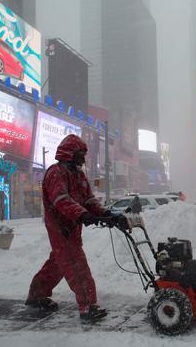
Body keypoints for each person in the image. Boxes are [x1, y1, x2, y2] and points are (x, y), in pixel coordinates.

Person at [25, 134, 127, 323]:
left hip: (73, 226)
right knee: (75, 264)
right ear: (70, 153)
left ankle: (37, 295)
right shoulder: (55, 173)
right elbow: (61, 200)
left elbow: (89, 200)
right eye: (81, 153)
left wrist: (106, 214)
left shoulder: (79, 175)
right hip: (60, 227)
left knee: (58, 263)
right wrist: (83, 215)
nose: (83, 158)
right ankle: (88, 306)